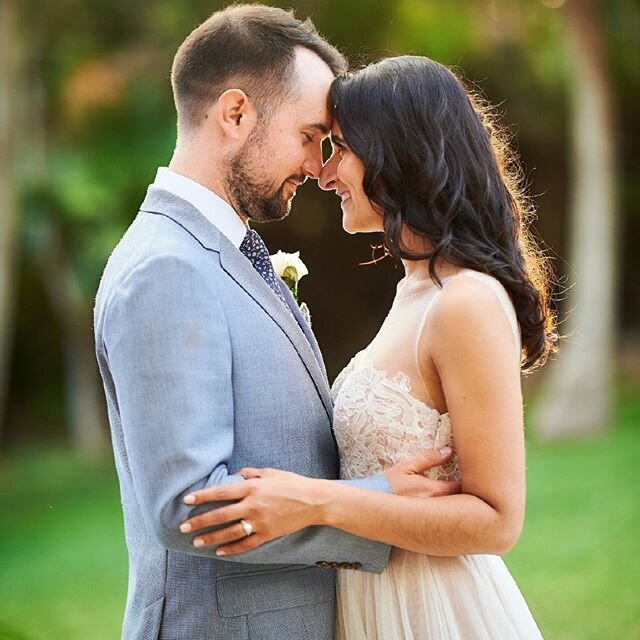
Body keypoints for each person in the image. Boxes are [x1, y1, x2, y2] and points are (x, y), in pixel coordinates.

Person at [94, 8, 457, 640]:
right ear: (235, 114)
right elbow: (188, 508)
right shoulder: (166, 269)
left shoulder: (220, 252)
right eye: (310, 135)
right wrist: (373, 504)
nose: (320, 168)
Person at [180, 55, 558, 639]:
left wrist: (316, 502)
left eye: (339, 149)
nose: (324, 174)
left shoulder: (466, 302)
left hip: (433, 611)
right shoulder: (415, 289)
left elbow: (496, 520)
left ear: (396, 153)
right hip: (369, 603)